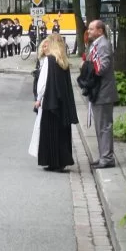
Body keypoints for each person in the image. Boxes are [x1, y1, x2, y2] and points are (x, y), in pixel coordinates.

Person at [32, 34, 78, 172]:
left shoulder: (49, 60)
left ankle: (52, 160)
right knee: (62, 132)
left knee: (50, 131)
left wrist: (39, 98)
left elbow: (43, 82)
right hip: (62, 101)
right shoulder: (62, 60)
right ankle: (61, 160)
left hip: (51, 101)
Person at [86, 20, 119, 169]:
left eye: (92, 29)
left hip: (103, 92)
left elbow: (102, 67)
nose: (89, 31)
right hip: (98, 92)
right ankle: (103, 156)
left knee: (104, 126)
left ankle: (107, 158)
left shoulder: (104, 45)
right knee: (100, 126)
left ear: (100, 31)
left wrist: (88, 67)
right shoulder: (96, 44)